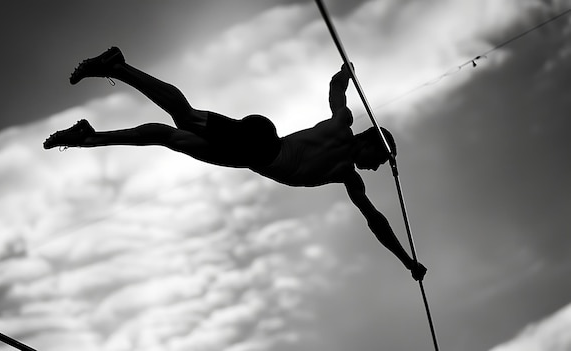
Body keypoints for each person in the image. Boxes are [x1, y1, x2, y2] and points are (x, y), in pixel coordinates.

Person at [44, 47, 427, 281]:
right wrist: (345, 73)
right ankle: (118, 66)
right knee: (187, 118)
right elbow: (336, 89)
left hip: (251, 156)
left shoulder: (349, 174)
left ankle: (90, 136)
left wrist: (407, 259)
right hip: (262, 145)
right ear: (373, 142)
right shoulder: (344, 133)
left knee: (170, 137)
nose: (375, 169)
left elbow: (377, 222)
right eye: (380, 159)